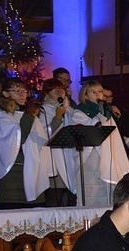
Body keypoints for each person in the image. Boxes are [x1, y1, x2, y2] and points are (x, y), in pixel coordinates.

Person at [0, 77, 49, 209]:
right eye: (16, 91)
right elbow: (17, 139)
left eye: (24, 91)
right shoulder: (0, 115)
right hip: (12, 175)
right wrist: (29, 115)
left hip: (32, 172)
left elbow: (41, 141)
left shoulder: (26, 114)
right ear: (6, 94)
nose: (22, 95)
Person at [71, 80, 129, 206]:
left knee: (106, 195)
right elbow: (88, 130)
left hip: (107, 157)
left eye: (100, 92)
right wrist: (101, 117)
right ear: (85, 95)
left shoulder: (105, 111)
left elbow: (114, 137)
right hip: (90, 158)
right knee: (92, 194)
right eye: (93, 92)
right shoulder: (79, 111)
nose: (98, 95)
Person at [36, 78, 76, 206]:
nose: (60, 93)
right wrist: (57, 117)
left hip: (69, 156)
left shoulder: (69, 110)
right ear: (47, 94)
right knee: (56, 197)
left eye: (62, 90)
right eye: (55, 91)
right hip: (54, 159)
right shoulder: (43, 111)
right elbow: (43, 135)